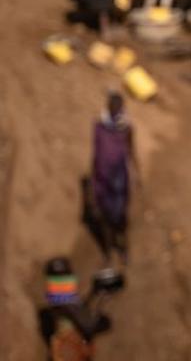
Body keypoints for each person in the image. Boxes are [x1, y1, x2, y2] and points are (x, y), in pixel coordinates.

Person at [86, 92, 139, 266]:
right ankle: (108, 253)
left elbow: (131, 152)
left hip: (119, 182)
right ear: (108, 107)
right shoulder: (99, 127)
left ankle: (124, 250)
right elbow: (96, 155)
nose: (116, 110)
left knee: (122, 219)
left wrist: (137, 173)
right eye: (113, 106)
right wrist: (93, 184)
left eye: (118, 107)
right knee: (105, 221)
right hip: (103, 181)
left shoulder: (127, 128)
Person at [37, 258, 111, 361]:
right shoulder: (64, 305)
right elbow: (88, 325)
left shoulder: (55, 306)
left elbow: (76, 311)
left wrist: (92, 294)